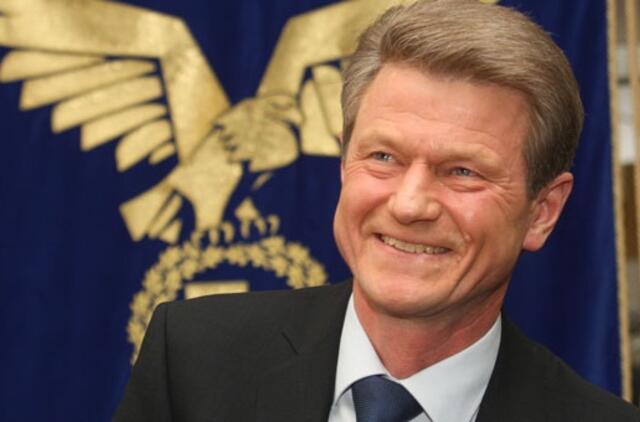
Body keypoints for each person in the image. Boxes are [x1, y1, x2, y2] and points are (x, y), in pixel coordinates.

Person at [114, 1, 640, 421]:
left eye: (463, 171)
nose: (409, 204)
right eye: (384, 157)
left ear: (543, 211)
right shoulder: (192, 359)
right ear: (344, 163)